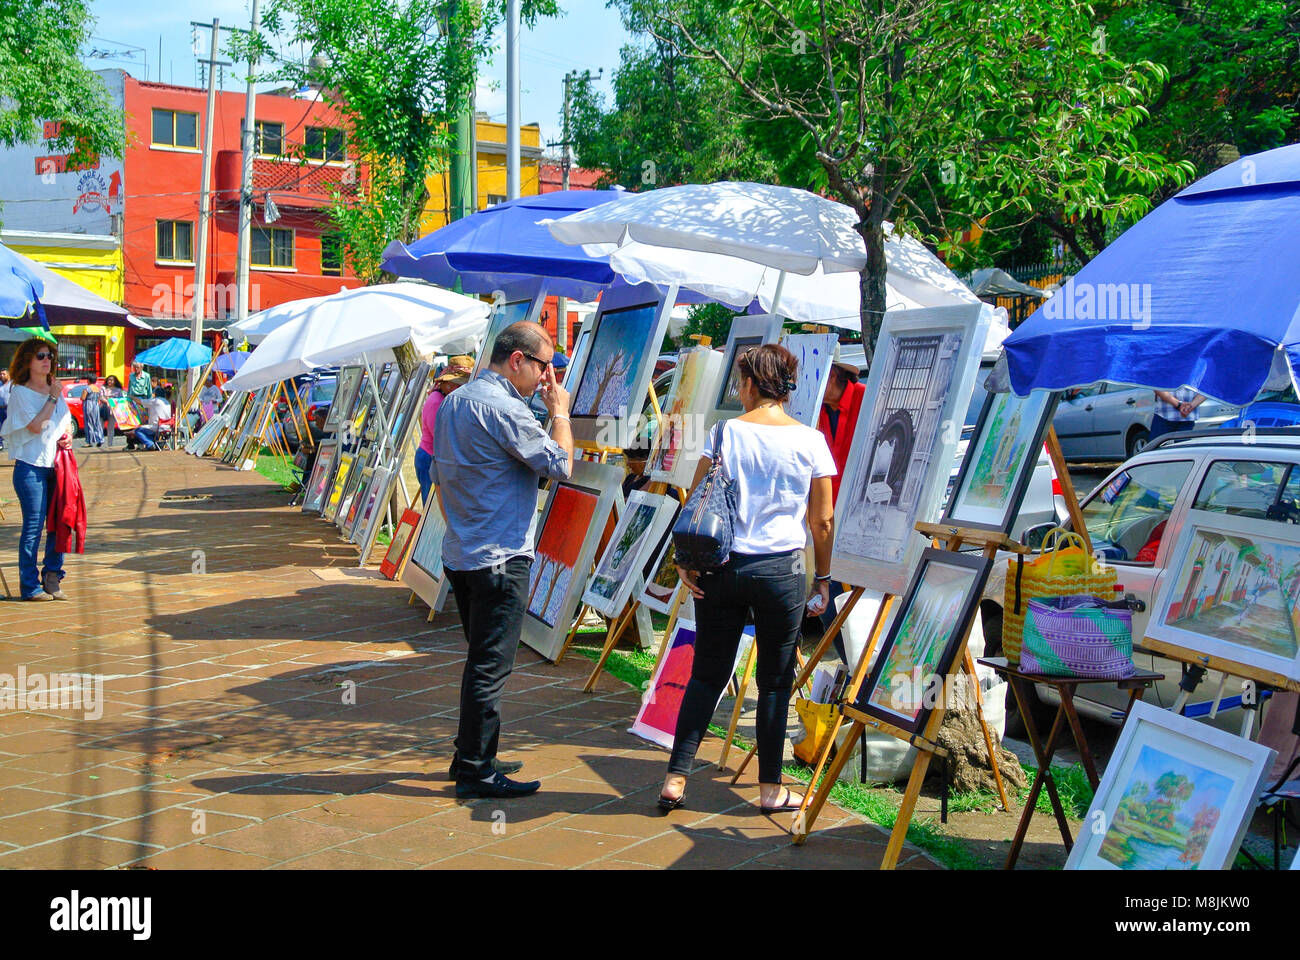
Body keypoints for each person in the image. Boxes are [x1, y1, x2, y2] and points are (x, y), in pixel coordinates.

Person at [660, 344, 837, 815]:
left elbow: (697, 504)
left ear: (752, 384)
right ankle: (769, 790)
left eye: (741, 382)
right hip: (782, 572)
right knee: (775, 682)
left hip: (721, 569)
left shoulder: (723, 434)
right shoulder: (811, 440)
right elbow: (822, 522)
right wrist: (824, 578)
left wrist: (684, 560)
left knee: (708, 674)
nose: (739, 390)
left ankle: (676, 778)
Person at [430, 323, 573, 799]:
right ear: (517, 361)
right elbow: (561, 464)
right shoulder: (505, 408)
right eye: (543, 366)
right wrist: (561, 415)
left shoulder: (457, 400)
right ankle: (475, 770)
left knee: (481, 662)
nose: (546, 377)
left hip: (463, 552)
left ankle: (472, 754)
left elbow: (438, 467)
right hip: (498, 557)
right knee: (490, 668)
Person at [0, 338, 74, 600]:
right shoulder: (20, 392)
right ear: (27, 360)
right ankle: (29, 585)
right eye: (41, 356)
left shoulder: (55, 390)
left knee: (60, 523)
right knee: (34, 525)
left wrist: (68, 434)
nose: (47, 361)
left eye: (50, 356)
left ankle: (52, 577)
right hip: (31, 468)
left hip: (57, 466)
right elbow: (35, 426)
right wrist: (53, 397)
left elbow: (66, 422)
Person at [816, 359, 867, 652]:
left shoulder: (864, 396)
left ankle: (857, 666)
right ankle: (849, 662)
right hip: (826, 518)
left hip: (860, 517)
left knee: (856, 599)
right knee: (825, 597)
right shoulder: (817, 410)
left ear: (833, 375)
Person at [415, 355, 474, 504]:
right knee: (431, 505)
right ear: (447, 383)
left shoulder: (444, 399)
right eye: (458, 384)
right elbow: (442, 436)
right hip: (429, 458)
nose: (460, 388)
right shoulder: (436, 401)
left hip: (434, 458)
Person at [129, 387, 171, 451]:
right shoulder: (167, 402)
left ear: (156, 394)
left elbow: (139, 401)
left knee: (138, 430)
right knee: (145, 429)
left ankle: (150, 444)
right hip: (166, 427)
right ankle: (154, 444)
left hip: (157, 427)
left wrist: (131, 397)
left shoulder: (155, 401)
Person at [81, 375, 105, 447]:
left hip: (88, 405)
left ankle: (89, 441)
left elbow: (83, 398)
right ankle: (100, 439)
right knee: (97, 422)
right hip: (95, 405)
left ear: (88, 380)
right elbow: (99, 399)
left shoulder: (87, 388)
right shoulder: (97, 389)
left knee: (88, 422)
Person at [100, 375, 123, 449]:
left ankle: (110, 444)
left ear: (115, 381)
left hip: (113, 410)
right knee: (101, 426)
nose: (110, 381)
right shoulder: (103, 388)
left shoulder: (118, 390)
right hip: (103, 408)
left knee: (111, 427)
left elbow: (120, 399)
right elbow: (100, 397)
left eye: (111, 380)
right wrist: (107, 401)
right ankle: (100, 441)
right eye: (109, 380)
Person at [0, 368, 11, 452]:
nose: (2, 376)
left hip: (10, 409)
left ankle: (14, 444)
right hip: (0, 409)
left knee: (12, 427)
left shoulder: (13, 384)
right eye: (1, 374)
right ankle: (0, 444)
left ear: (8, 375)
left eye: (4, 374)